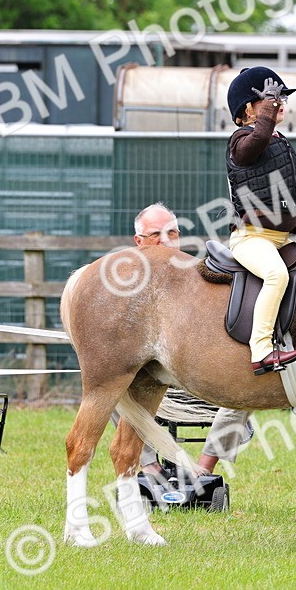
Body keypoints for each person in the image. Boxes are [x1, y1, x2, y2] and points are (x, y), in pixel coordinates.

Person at [126, 204, 254, 476]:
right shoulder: (125, 288)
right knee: (111, 386)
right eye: (155, 234)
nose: (165, 240)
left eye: (172, 233)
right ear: (138, 241)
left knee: (251, 383)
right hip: (152, 382)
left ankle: (202, 471)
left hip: (203, 380)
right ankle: (150, 468)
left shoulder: (199, 277)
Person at [226, 66, 296, 373]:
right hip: (251, 238)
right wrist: (269, 113)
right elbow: (253, 147)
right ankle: (261, 350)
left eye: (281, 97)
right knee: (276, 276)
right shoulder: (239, 140)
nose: (280, 102)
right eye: (270, 98)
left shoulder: (281, 142)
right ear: (248, 109)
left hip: (282, 239)